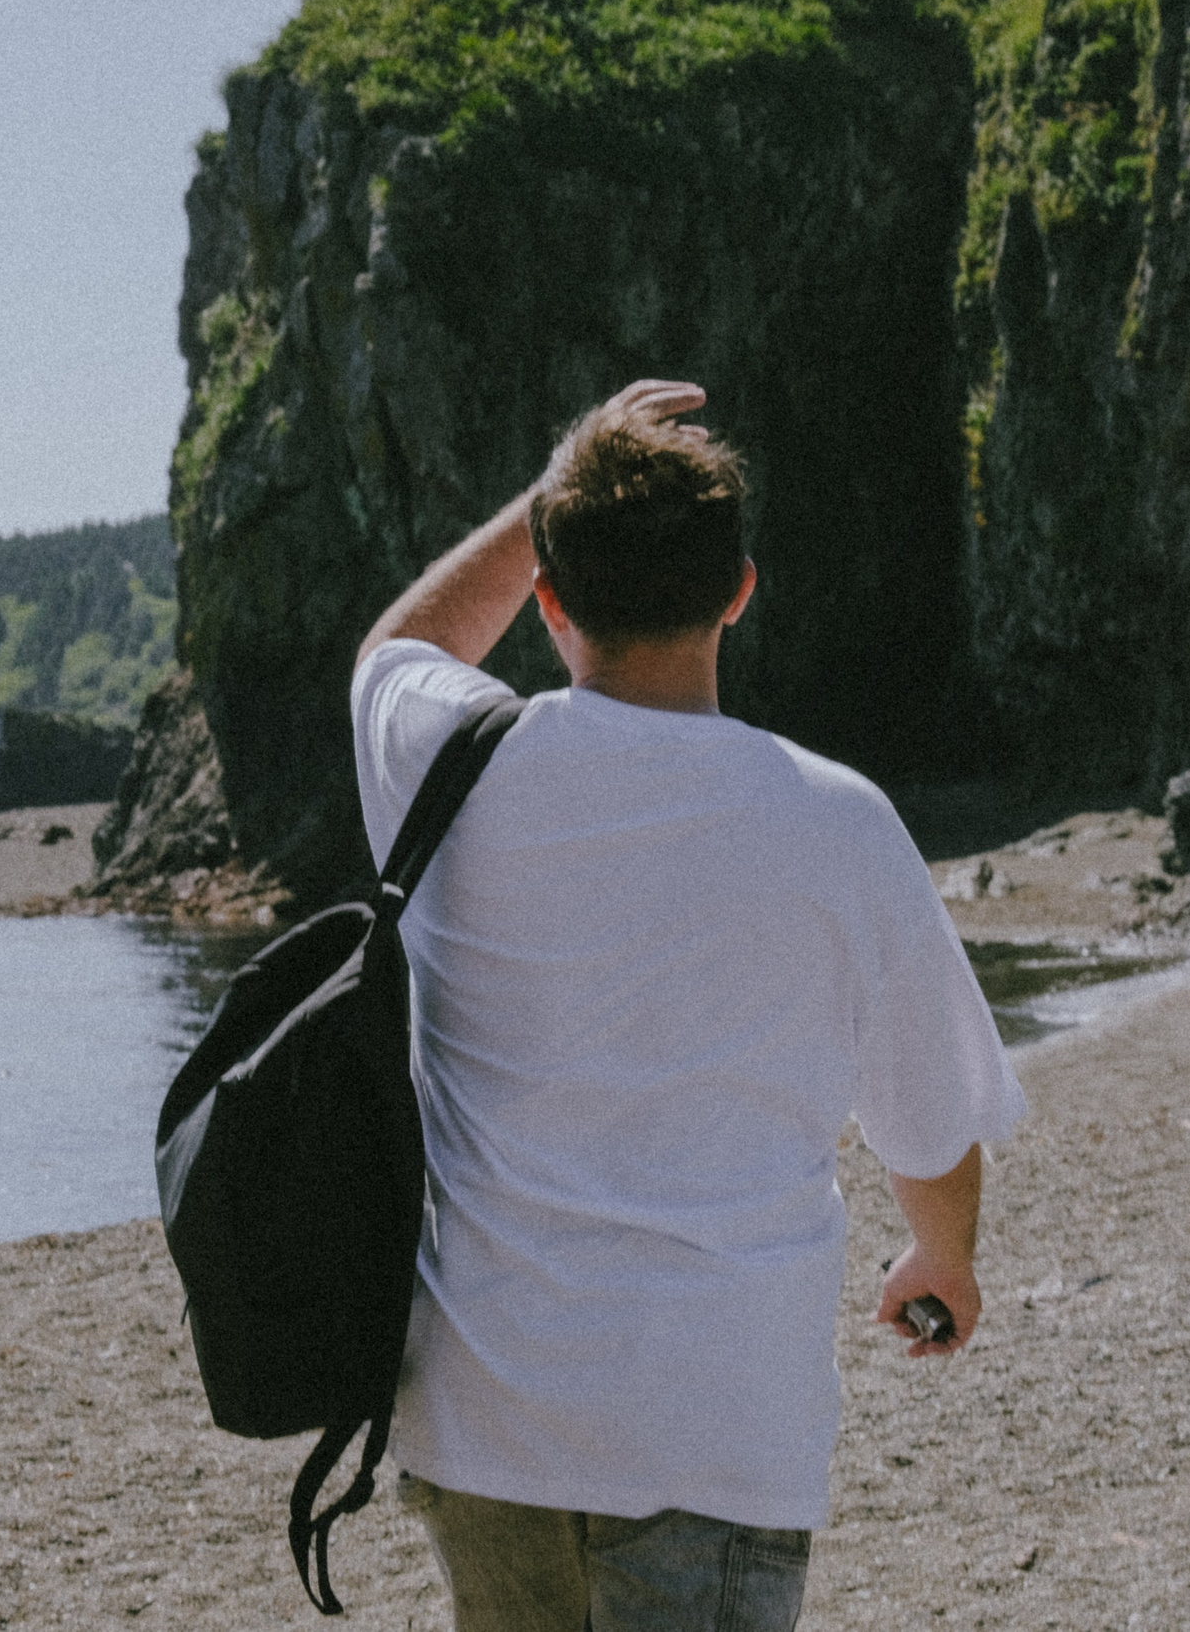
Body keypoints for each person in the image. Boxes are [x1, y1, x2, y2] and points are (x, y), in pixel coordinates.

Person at [350, 378, 1024, 1631]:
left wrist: (549, 499)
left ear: (547, 599)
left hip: (483, 1419)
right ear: (740, 590)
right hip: (705, 1431)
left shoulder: (452, 765)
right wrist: (943, 1258)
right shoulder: (835, 822)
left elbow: (399, 653)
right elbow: (927, 1129)